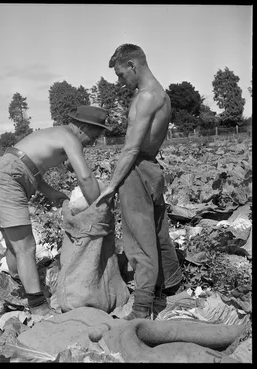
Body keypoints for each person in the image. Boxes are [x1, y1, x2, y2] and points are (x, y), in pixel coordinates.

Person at [0, 105, 110, 316]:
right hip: (7, 180)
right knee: (26, 246)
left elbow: (28, 165)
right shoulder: (70, 138)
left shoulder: (54, 134)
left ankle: (14, 285)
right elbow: (85, 177)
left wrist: (51, 192)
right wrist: (98, 206)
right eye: (93, 136)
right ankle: (38, 305)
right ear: (83, 127)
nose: (92, 142)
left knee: (15, 245)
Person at [96, 44, 182, 320]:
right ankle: (173, 286)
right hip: (152, 168)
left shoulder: (145, 97)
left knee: (138, 240)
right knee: (158, 233)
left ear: (133, 65)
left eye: (121, 74)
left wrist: (110, 187)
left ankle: (143, 307)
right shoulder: (162, 95)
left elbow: (131, 149)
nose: (121, 81)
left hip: (137, 169)